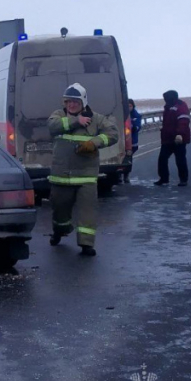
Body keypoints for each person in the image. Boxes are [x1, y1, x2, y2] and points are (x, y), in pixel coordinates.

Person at [47, 83, 119, 257]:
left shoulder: (96, 119)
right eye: (69, 102)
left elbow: (113, 133)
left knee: (87, 211)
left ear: (83, 102)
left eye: (76, 102)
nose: (71, 105)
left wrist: (93, 143)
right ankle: (60, 231)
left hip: (86, 176)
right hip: (61, 177)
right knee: (60, 210)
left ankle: (86, 244)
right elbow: (52, 126)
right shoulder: (58, 115)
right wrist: (75, 120)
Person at [155, 90, 190, 187]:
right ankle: (164, 178)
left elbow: (184, 121)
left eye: (166, 98)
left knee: (180, 160)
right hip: (168, 138)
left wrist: (180, 134)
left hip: (179, 138)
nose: (165, 100)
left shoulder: (180, 106)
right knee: (162, 159)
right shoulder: (168, 107)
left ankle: (183, 179)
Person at [123, 99, 142, 183]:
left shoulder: (135, 115)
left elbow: (137, 126)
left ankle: (126, 175)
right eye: (127, 106)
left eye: (130, 106)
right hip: (122, 141)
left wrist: (134, 127)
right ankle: (120, 175)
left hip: (132, 142)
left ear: (133, 106)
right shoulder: (122, 114)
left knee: (128, 158)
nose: (129, 107)